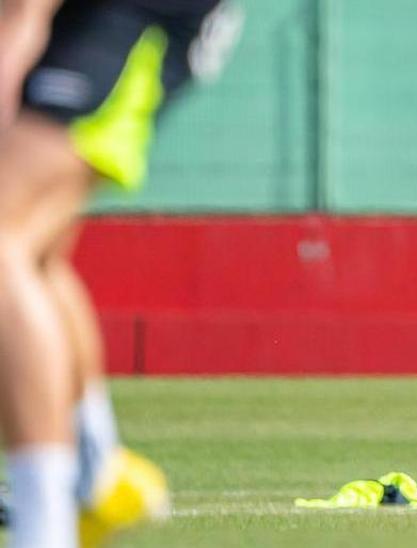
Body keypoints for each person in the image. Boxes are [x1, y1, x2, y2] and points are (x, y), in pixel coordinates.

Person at [0, 1, 239, 546]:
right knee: (33, 255)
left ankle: (45, 530)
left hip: (132, 14)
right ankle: (97, 474)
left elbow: (23, 11)